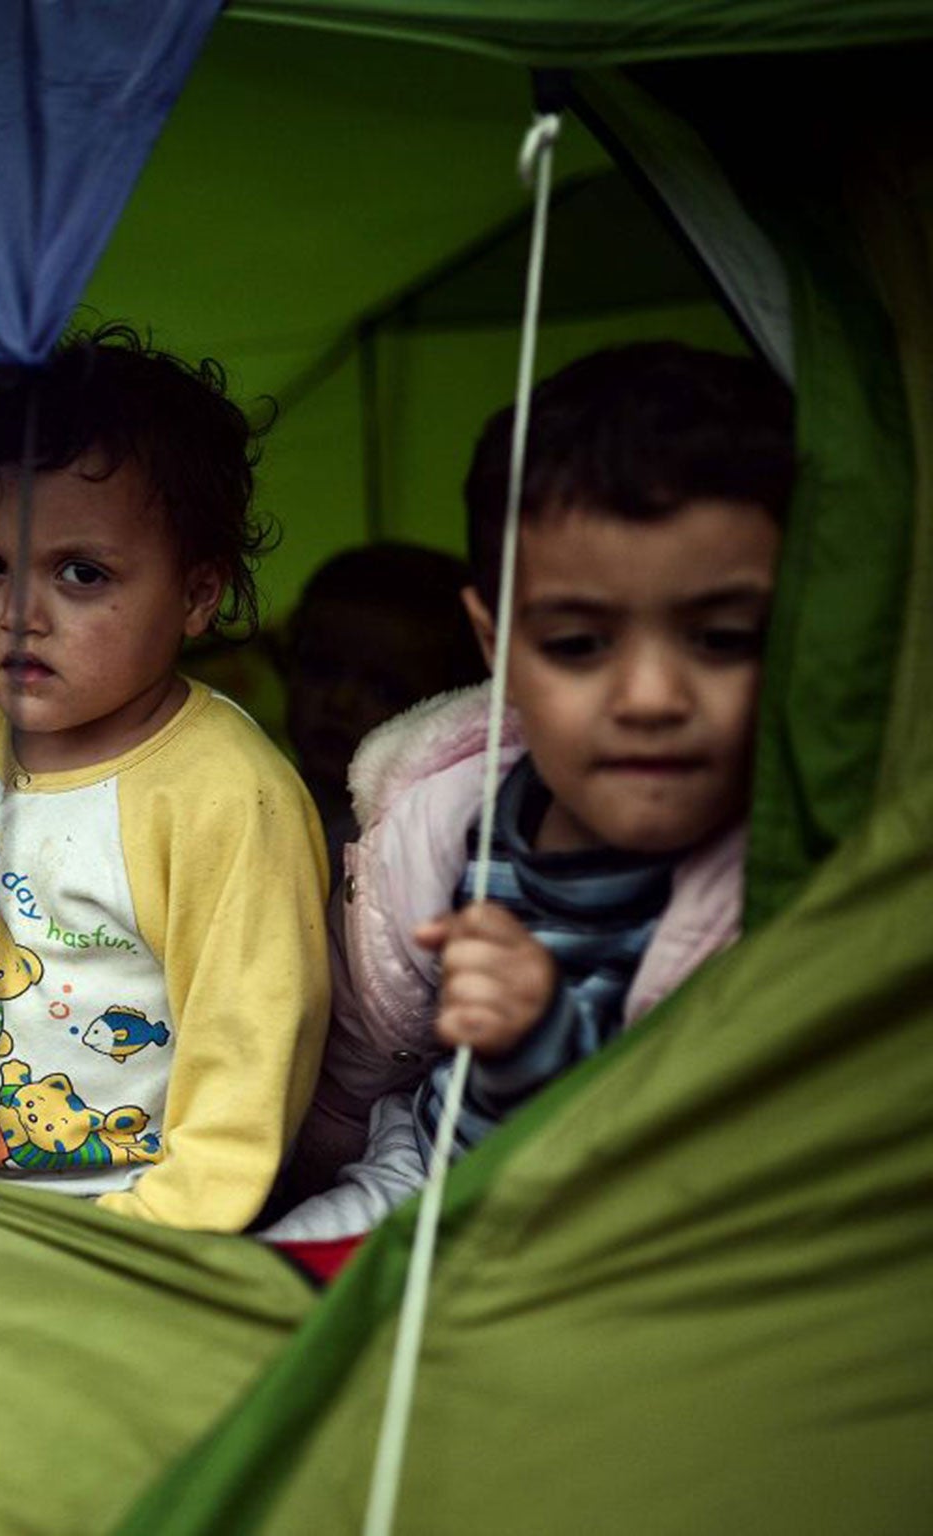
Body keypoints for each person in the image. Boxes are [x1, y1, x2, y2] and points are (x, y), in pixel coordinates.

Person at [265, 342, 792, 1263]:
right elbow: (355, 1059)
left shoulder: (788, 864)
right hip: (426, 1174)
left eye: (719, 637)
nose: (651, 697)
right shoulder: (442, 820)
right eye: (581, 644)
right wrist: (307, 1175)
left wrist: (548, 1038)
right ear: (494, 640)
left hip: (629, 1241)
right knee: (254, 1300)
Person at [0, 322, 332, 1232]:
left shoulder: (229, 797)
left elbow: (248, 1064)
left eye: (81, 573)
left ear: (197, 595)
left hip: (142, 1234)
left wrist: (155, 1248)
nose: (18, 615)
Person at [281, 543, 488, 862]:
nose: (340, 702)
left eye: (385, 689)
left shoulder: (420, 847)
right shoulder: (251, 791)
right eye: (320, 668)